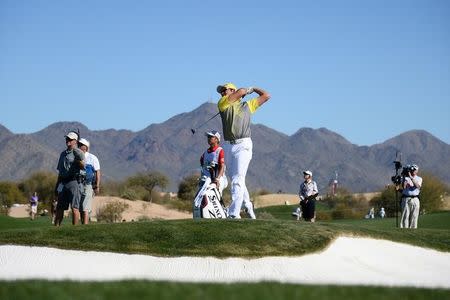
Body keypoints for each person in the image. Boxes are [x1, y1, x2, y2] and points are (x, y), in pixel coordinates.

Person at [216, 82, 270, 219]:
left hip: (243, 145)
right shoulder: (223, 103)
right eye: (221, 91)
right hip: (228, 145)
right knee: (237, 179)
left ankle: (234, 214)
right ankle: (248, 205)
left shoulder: (248, 106)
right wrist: (247, 90)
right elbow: (240, 92)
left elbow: (266, 95)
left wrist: (254, 88)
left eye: (225, 90)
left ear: (232, 90)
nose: (222, 93)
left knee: (237, 179)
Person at [54, 131, 85, 226]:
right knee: (59, 207)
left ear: (75, 141)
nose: (68, 140)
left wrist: (78, 161)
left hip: (73, 182)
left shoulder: (78, 152)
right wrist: (56, 187)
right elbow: (60, 171)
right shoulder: (62, 154)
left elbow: (83, 166)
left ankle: (74, 229)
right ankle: (56, 228)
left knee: (74, 208)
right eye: (67, 139)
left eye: (70, 139)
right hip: (63, 182)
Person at [78, 138, 101, 225]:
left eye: (82, 145)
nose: (80, 147)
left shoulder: (92, 158)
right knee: (80, 207)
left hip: (88, 185)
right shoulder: (76, 157)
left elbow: (97, 172)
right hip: (78, 184)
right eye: (79, 145)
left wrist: (97, 186)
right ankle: (82, 225)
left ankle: (85, 226)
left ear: (86, 147)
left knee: (85, 207)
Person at [199, 130, 228, 195]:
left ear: (217, 139)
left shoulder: (220, 150)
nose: (208, 138)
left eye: (211, 137)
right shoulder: (205, 154)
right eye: (208, 137)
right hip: (208, 178)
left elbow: (222, 166)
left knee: (216, 192)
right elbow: (203, 168)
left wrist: (217, 179)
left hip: (219, 178)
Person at [400, 164, 423, 229]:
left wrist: (411, 177)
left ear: (417, 171)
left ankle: (413, 229)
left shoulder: (419, 178)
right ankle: (404, 229)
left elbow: (417, 186)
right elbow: (404, 187)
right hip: (406, 198)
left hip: (415, 198)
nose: (413, 171)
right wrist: (404, 179)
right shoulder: (405, 178)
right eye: (412, 170)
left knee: (414, 216)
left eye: (414, 170)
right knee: (405, 215)